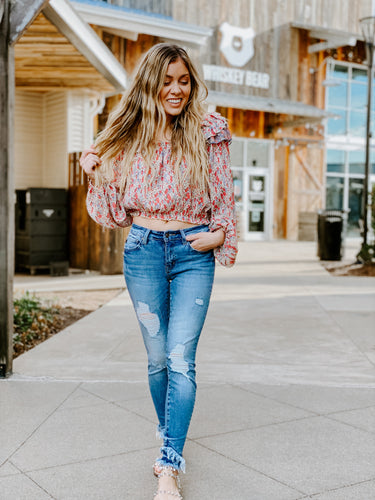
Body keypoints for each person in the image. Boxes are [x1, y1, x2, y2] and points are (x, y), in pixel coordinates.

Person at [80, 43, 237, 500]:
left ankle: (169, 464)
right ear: (150, 83)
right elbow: (112, 212)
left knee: (180, 359)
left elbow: (224, 190)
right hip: (144, 250)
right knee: (156, 360)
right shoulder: (125, 134)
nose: (177, 90)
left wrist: (220, 233)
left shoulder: (210, 128)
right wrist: (95, 168)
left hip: (192, 252)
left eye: (184, 80)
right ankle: (170, 434)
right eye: (167, 81)